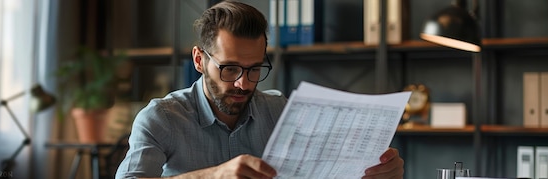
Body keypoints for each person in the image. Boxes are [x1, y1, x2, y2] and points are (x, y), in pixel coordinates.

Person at [116, 1, 404, 178]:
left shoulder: (280, 111)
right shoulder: (162, 117)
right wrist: (214, 176)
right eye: (229, 69)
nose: (243, 83)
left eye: (254, 69)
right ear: (199, 60)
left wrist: (377, 173)